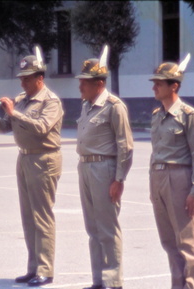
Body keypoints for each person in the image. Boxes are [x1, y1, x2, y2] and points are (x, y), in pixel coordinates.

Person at [0, 51, 64, 287]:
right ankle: (33, 267)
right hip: (25, 158)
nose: (22, 82)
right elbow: (5, 127)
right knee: (28, 217)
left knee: (42, 216)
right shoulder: (23, 99)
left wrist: (13, 111)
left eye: (27, 78)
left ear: (40, 78)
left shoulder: (50, 101)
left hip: (44, 159)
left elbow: (42, 127)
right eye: (21, 78)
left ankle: (46, 269)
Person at [75, 50, 133, 289]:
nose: (80, 86)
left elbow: (125, 146)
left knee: (108, 228)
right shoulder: (87, 106)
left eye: (84, 82)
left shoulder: (113, 107)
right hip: (86, 167)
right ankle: (98, 280)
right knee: (93, 228)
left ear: (99, 84)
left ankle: (112, 282)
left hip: (104, 169)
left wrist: (119, 179)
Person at [149, 56, 194, 289]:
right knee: (169, 242)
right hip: (159, 179)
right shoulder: (157, 115)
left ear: (174, 86)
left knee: (187, 243)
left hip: (179, 180)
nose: (154, 86)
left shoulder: (188, 115)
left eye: (160, 83)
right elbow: (155, 153)